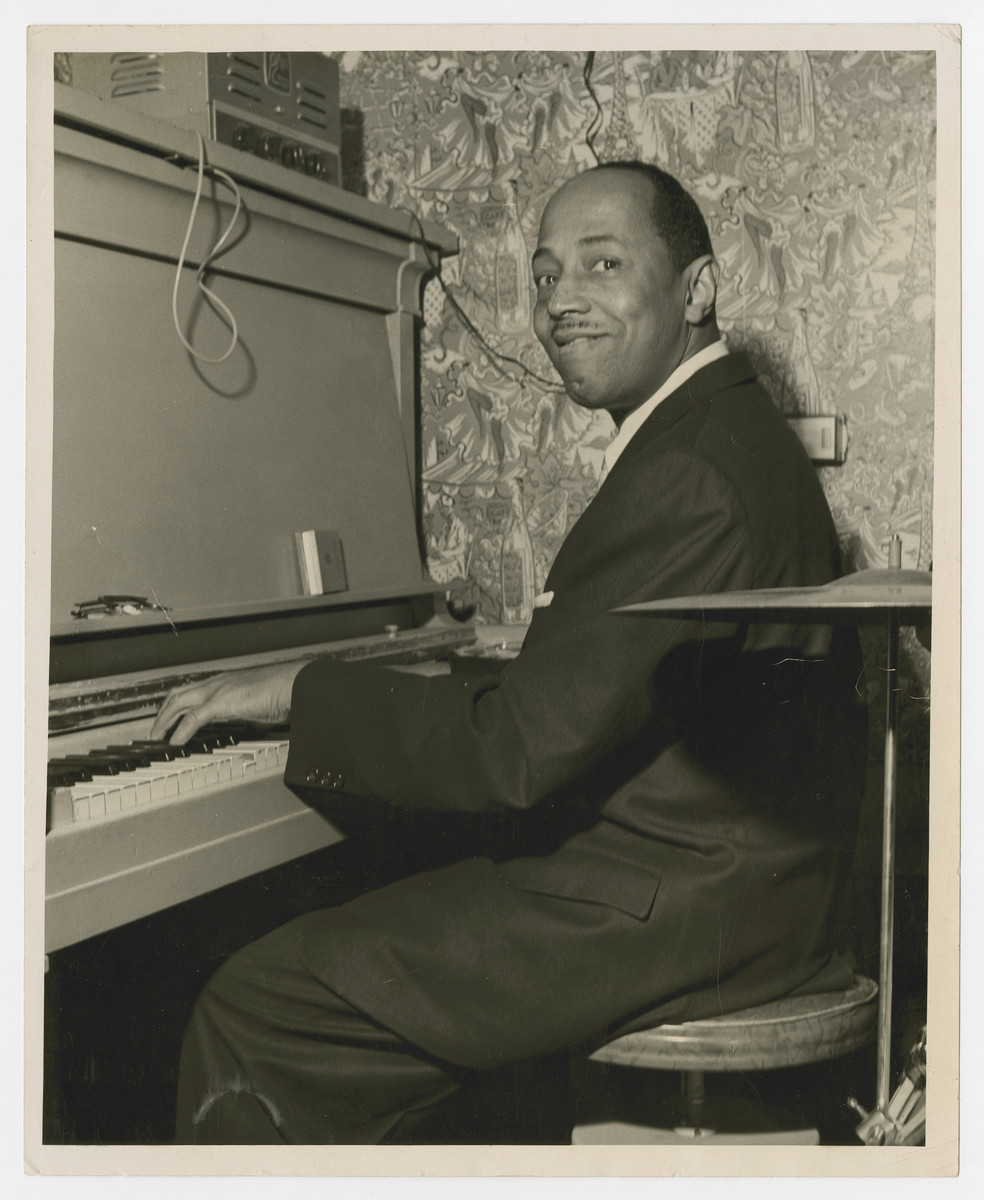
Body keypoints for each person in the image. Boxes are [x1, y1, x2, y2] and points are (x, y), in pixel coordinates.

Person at [152, 161, 868, 1144]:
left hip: (683, 907)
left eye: (602, 264)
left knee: (260, 1001)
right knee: (376, 914)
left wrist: (299, 689)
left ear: (696, 290)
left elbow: (518, 751)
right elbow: (588, 688)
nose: (559, 301)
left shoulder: (688, 468)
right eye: (542, 275)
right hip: (727, 879)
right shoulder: (722, 430)